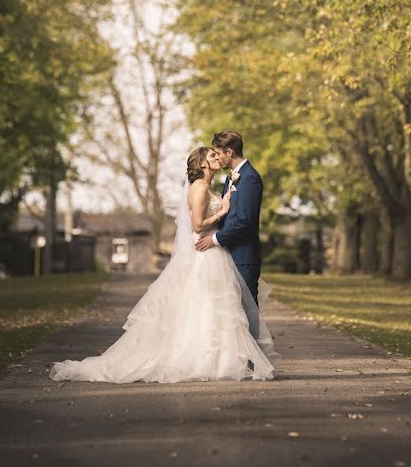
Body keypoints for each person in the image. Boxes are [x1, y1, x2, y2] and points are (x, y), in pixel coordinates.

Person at [48, 147, 278, 383]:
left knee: (212, 307)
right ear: (202, 164)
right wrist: (224, 211)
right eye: (211, 155)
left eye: (216, 154)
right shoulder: (199, 188)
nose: (216, 157)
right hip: (204, 250)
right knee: (206, 304)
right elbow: (197, 226)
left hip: (214, 252)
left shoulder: (207, 187)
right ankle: (202, 360)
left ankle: (219, 362)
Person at [195, 131, 264, 337]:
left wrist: (215, 239)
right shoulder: (231, 178)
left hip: (243, 257)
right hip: (227, 256)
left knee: (247, 312)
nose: (217, 157)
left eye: (218, 153)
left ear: (229, 151)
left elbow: (245, 221)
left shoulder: (250, 178)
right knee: (230, 313)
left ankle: (253, 365)